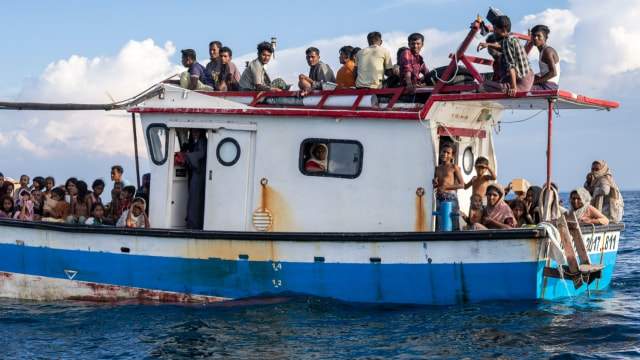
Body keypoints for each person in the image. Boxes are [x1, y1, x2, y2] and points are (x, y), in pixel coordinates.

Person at [477, 15, 534, 97]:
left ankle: (490, 107)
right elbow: (504, 49)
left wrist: (513, 88)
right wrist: (489, 44)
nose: (494, 32)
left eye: (495, 30)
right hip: (528, 77)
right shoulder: (512, 37)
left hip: (521, 83)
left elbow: (511, 66)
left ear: (503, 30)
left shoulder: (507, 40)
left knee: (483, 86)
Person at [432, 143, 464, 231]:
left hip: (451, 197)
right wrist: (435, 183)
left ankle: (455, 240)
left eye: (448, 153)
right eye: (443, 151)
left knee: (453, 221)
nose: (445, 154)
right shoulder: (437, 168)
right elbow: (437, 185)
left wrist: (445, 187)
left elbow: (462, 184)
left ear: (452, 156)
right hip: (439, 197)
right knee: (440, 220)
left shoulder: (454, 167)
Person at [185, 129, 207, 229]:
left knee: (195, 199)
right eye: (193, 132)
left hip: (199, 174)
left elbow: (202, 153)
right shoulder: (201, 141)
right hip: (198, 173)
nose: (194, 134)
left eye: (196, 132)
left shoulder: (202, 141)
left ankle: (193, 224)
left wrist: (187, 155)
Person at [530, 25, 560, 91]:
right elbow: (546, 71)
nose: (535, 38)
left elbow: (553, 73)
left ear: (545, 38)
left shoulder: (547, 51)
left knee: (522, 87)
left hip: (548, 86)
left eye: (538, 36)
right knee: (526, 79)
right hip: (546, 84)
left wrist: (533, 82)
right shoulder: (542, 51)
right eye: (534, 36)